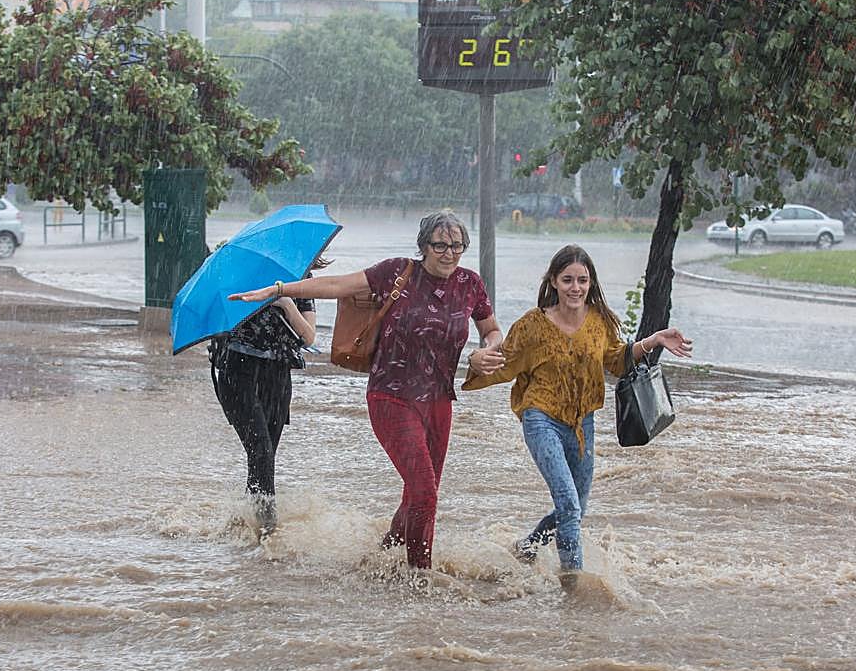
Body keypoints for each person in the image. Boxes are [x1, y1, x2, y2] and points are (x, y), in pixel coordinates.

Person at [230, 211, 505, 570]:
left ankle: (384, 554)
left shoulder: (470, 283)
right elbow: (337, 286)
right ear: (424, 246)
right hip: (391, 396)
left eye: (457, 245)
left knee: (420, 493)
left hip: (439, 401)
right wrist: (281, 289)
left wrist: (486, 350)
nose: (449, 253)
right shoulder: (397, 272)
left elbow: (492, 329)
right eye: (440, 245)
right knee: (424, 490)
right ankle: (418, 577)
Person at [462, 244, 692, 587]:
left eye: (582, 280)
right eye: (567, 279)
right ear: (554, 281)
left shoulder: (599, 321)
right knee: (569, 505)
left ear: (591, 283)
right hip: (540, 418)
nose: (576, 287)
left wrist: (654, 339)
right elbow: (503, 362)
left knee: (575, 511)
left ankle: (527, 548)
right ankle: (574, 585)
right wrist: (475, 360)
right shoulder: (533, 324)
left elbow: (615, 360)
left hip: (583, 424)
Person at [211, 257, 326, 540]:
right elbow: (216, 321)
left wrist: (285, 301)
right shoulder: (240, 274)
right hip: (237, 371)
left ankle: (247, 526)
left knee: (263, 458)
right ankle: (269, 533)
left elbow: (309, 337)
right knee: (261, 450)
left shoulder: (300, 281)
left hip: (277, 375)